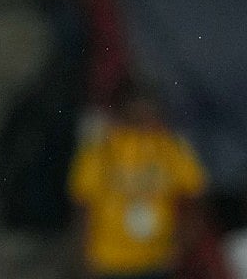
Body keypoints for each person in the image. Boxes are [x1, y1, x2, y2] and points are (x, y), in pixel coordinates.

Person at [67, 76, 208, 279]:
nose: (145, 117)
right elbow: (82, 202)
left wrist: (185, 240)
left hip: (157, 257)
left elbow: (195, 190)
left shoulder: (168, 145)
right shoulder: (101, 148)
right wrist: (81, 255)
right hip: (110, 260)